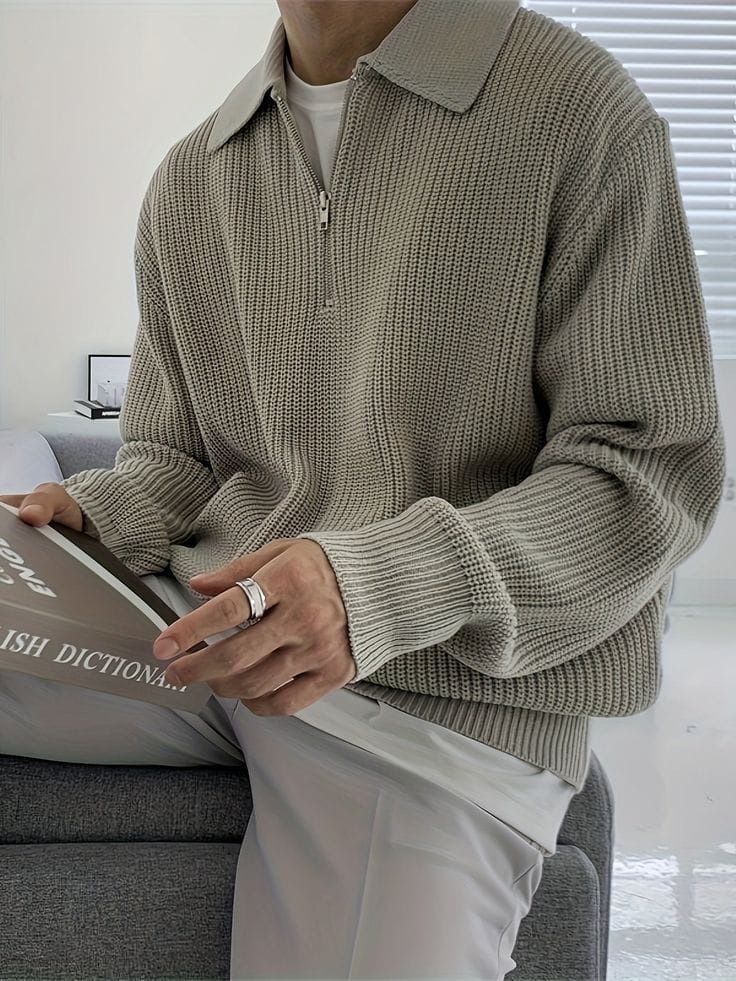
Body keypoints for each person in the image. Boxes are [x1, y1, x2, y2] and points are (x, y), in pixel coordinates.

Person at [0, 0, 725, 977]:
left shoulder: (575, 110)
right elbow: (177, 458)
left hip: (443, 708)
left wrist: (372, 586)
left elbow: (648, 471)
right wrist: (94, 517)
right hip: (202, 630)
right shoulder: (192, 176)